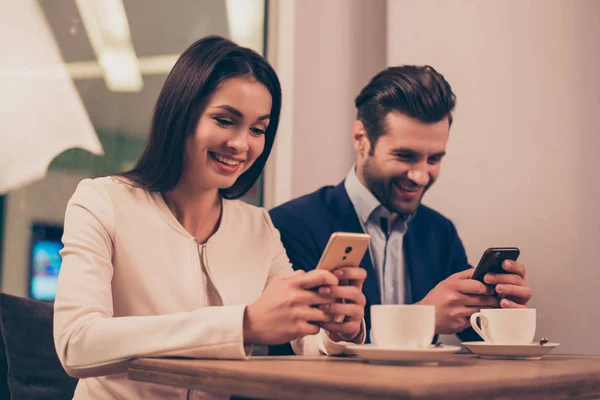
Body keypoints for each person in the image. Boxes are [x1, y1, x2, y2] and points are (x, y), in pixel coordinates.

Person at [53, 36, 366, 400]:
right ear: (181, 114)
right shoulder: (102, 201)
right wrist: (243, 323)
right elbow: (76, 344)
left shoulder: (258, 226)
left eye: (257, 129)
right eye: (224, 120)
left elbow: (307, 345)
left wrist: (337, 331)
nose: (241, 144)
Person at [270, 65, 533, 344]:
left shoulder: (440, 231)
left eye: (434, 159)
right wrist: (425, 317)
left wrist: (502, 313)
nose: (420, 175)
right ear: (361, 140)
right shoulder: (290, 225)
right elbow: (297, 350)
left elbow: (477, 334)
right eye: (405, 156)